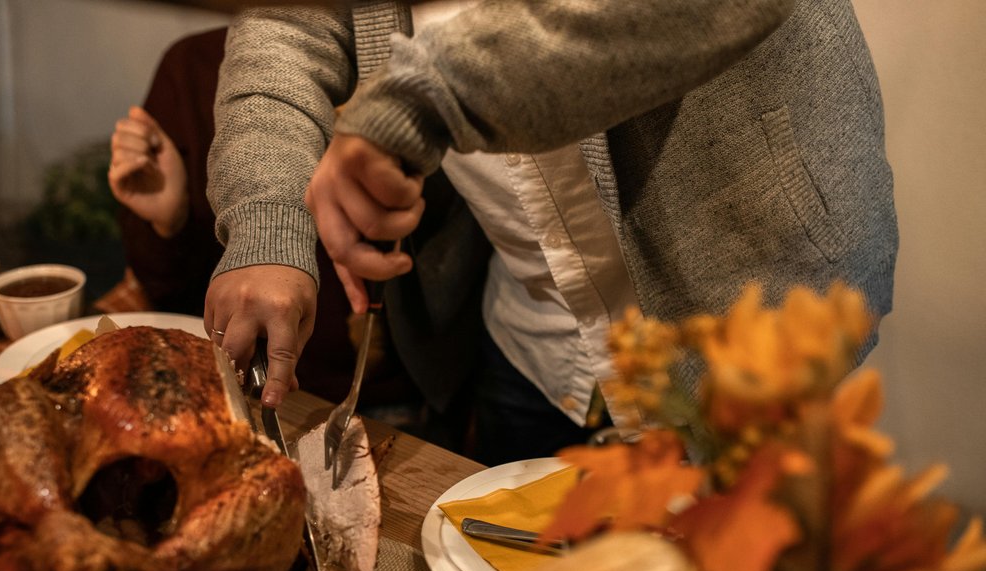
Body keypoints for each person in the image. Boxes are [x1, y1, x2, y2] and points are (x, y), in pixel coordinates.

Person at [205, 0, 898, 462]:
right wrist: (269, 216)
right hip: (529, 337)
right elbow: (287, 26)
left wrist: (427, 99)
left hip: (751, 317)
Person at [102, 26, 453, 414]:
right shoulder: (191, 67)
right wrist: (173, 222)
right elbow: (174, 300)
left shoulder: (413, 52)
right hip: (244, 388)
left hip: (399, 394)